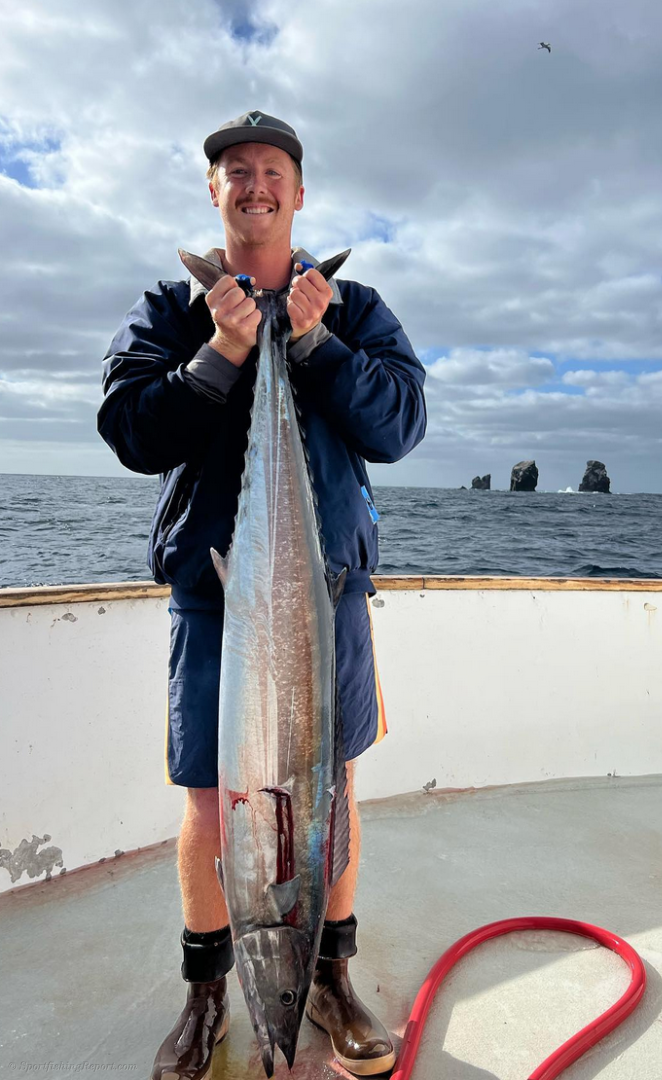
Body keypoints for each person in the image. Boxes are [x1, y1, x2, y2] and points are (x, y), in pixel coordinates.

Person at [97, 111, 427, 1079]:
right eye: (234, 171)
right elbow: (131, 432)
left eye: (270, 169)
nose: (253, 184)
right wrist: (221, 354)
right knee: (212, 796)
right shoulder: (171, 308)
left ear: (297, 189)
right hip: (217, 597)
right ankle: (206, 996)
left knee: (332, 786)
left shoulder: (353, 307)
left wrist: (316, 344)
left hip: (326, 595)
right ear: (213, 193)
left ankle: (327, 977)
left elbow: (400, 425)